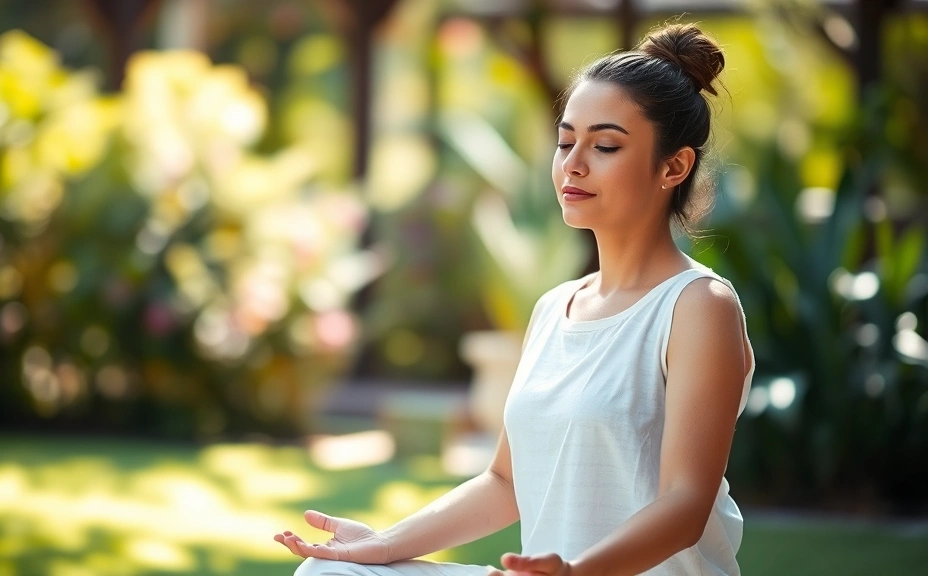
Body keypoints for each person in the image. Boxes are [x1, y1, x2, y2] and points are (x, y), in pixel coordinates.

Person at [274, 22, 754, 576]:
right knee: (331, 573)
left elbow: (685, 505)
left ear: (674, 166)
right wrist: (383, 545)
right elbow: (505, 482)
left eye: (604, 145)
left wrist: (576, 573)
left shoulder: (699, 307)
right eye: (564, 140)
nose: (573, 163)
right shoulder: (554, 308)